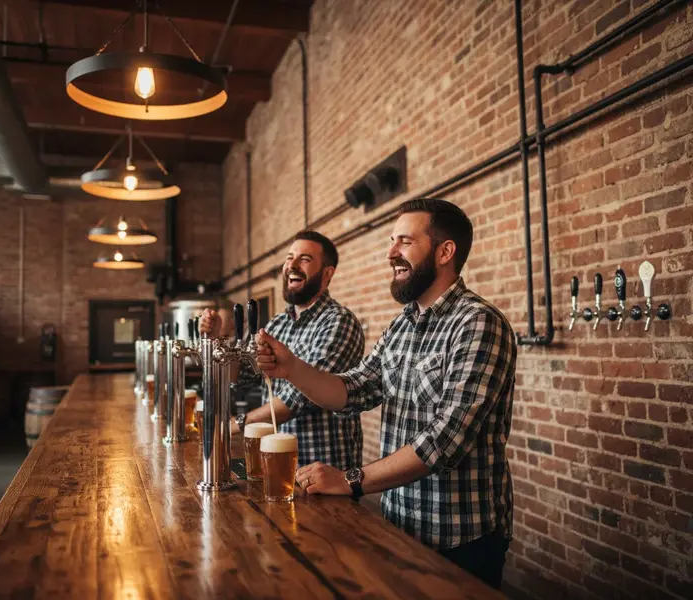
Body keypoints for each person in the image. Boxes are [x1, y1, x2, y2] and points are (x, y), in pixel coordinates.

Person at [256, 198, 516, 590]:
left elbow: (446, 440)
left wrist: (350, 480)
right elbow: (353, 389)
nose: (391, 252)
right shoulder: (402, 325)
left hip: (459, 536)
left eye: (405, 242)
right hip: (398, 524)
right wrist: (290, 367)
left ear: (446, 252)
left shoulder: (478, 324)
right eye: (392, 241)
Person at [200, 231, 365, 470]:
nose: (293, 265)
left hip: (323, 472)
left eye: (305, 259)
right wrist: (219, 339)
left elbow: (298, 399)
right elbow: (241, 376)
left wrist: (236, 424)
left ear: (327, 273)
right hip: (276, 461)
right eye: (289, 258)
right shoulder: (278, 324)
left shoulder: (339, 322)